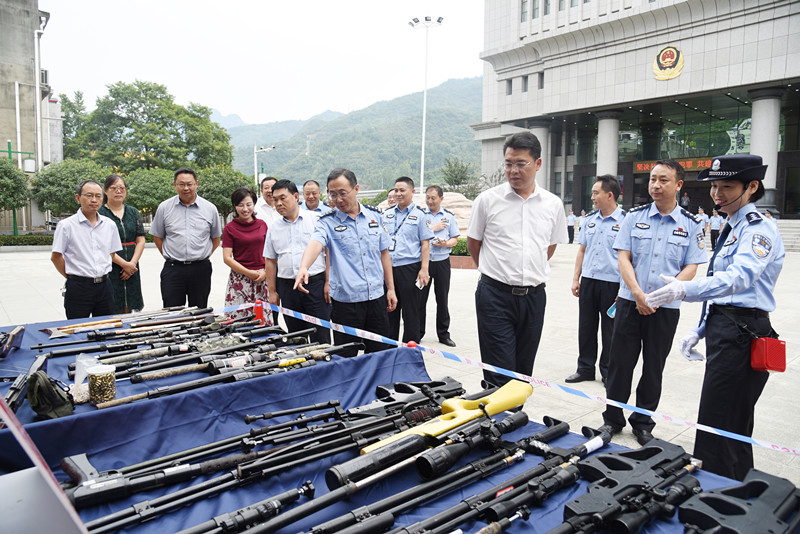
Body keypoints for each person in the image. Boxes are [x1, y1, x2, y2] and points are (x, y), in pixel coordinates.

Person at [646, 154, 785, 481]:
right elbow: (724, 292)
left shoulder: (757, 229)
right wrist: (702, 329)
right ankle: (734, 486)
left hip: (743, 332)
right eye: (715, 186)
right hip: (728, 327)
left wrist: (685, 289)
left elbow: (740, 278)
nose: (717, 194)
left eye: (727, 187)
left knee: (721, 421)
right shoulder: (733, 224)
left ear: (752, 187)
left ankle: (715, 489)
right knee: (726, 420)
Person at [598, 159, 706, 445]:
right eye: (652, 179)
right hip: (629, 303)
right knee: (620, 364)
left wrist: (662, 296)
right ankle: (612, 419)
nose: (656, 185)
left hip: (665, 309)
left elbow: (692, 266)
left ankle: (643, 423)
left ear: (678, 185)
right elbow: (623, 257)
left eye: (663, 180)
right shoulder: (634, 217)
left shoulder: (692, 224)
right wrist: (638, 294)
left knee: (653, 367)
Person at [466, 132, 568, 386]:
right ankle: (498, 410)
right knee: (499, 371)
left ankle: (515, 410)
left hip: (534, 297)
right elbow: (473, 243)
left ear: (538, 163)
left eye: (521, 163)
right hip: (495, 296)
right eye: (509, 163)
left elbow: (549, 247)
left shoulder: (552, 204)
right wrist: (494, 269)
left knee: (523, 373)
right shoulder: (487, 201)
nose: (513, 170)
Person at [294, 168, 397, 357]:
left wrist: (390, 289)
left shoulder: (375, 216)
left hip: (376, 298)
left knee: (378, 354)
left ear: (356, 189)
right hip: (346, 304)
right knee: (346, 356)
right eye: (333, 195)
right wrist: (304, 267)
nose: (338, 199)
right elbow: (316, 243)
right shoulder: (327, 222)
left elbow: (384, 254)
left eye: (342, 193)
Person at [566, 175, 625, 386]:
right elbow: (582, 250)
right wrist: (576, 278)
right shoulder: (589, 220)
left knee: (610, 330)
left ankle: (608, 371)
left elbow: (631, 258)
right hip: (589, 281)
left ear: (610, 195)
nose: (592, 197)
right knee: (586, 327)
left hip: (613, 283)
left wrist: (624, 287)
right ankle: (585, 368)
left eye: (595, 193)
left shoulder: (626, 221)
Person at [264, 180, 330, 342]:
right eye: (275, 199)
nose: (278, 203)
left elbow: (329, 253)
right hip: (287, 288)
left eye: (283, 198)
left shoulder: (316, 220)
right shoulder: (273, 227)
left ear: (295, 196)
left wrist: (329, 282)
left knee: (320, 336)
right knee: (295, 336)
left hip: (315, 285)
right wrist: (272, 291)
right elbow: (270, 260)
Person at [150, 168, 222, 308]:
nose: (186, 188)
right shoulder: (164, 208)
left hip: (200, 268)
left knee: (199, 310)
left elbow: (215, 238)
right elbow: (158, 237)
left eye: (189, 184)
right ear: (174, 185)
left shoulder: (210, 208)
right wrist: (169, 254)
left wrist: (202, 254)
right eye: (181, 184)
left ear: (196, 184)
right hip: (173, 268)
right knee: (172, 311)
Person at [51, 180, 122, 319]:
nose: (94, 200)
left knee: (106, 326)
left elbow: (111, 253)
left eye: (98, 196)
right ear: (78, 198)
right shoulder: (66, 225)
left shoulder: (110, 225)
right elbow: (56, 257)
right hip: (78, 288)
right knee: (77, 327)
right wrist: (74, 277)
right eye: (89, 195)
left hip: (105, 286)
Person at [383, 176, 433, 343]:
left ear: (412, 191)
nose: (398, 193)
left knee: (411, 313)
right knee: (389, 310)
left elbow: (425, 244)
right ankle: (389, 349)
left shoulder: (420, 216)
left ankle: (410, 350)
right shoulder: (387, 214)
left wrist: (424, 269)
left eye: (402, 190)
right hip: (389, 269)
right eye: (396, 190)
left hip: (410, 269)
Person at [221, 187, 272, 323]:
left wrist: (265, 272)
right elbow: (227, 258)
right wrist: (249, 273)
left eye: (248, 204)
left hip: (261, 278)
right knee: (238, 321)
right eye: (240, 205)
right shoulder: (230, 228)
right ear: (235, 206)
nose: (245, 209)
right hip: (239, 280)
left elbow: (269, 253)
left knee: (262, 320)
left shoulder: (262, 225)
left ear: (254, 204)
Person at [98, 174, 146, 314]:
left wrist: (132, 264)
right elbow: (102, 245)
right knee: (112, 302)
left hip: (132, 265)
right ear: (105, 190)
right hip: (111, 265)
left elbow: (140, 239)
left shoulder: (133, 212)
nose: (118, 191)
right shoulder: (100, 213)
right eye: (114, 188)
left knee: (131, 302)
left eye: (122, 188)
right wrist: (124, 265)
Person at [420, 185, 460, 347]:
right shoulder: (421, 215)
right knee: (419, 300)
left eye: (433, 198)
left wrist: (446, 244)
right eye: (427, 197)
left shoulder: (449, 217)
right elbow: (415, 235)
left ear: (441, 199)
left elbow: (455, 239)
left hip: (442, 262)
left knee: (442, 299)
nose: (430, 201)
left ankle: (443, 334)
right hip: (424, 264)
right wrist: (433, 228)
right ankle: (417, 332)